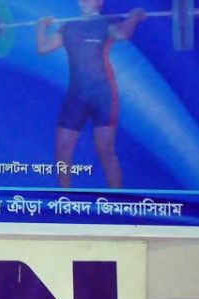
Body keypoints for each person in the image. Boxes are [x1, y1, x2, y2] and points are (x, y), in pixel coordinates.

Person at [36, 0, 146, 188]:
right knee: (63, 149)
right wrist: (41, 27)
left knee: (106, 150)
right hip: (77, 96)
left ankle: (118, 203)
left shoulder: (105, 24)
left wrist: (134, 16)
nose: (86, 0)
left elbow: (122, 34)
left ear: (99, 1)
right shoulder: (68, 27)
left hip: (102, 96)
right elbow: (43, 48)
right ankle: (66, 199)